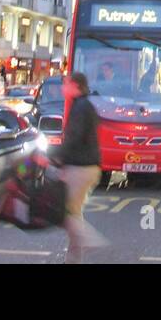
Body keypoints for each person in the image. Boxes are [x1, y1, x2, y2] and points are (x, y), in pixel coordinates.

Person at [58, 72, 106, 263]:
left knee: (66, 212)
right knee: (74, 213)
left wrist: (55, 159)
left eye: (65, 84)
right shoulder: (84, 105)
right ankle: (73, 259)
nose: (63, 88)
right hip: (88, 166)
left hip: (80, 167)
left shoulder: (80, 107)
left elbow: (73, 139)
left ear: (75, 86)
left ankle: (89, 239)